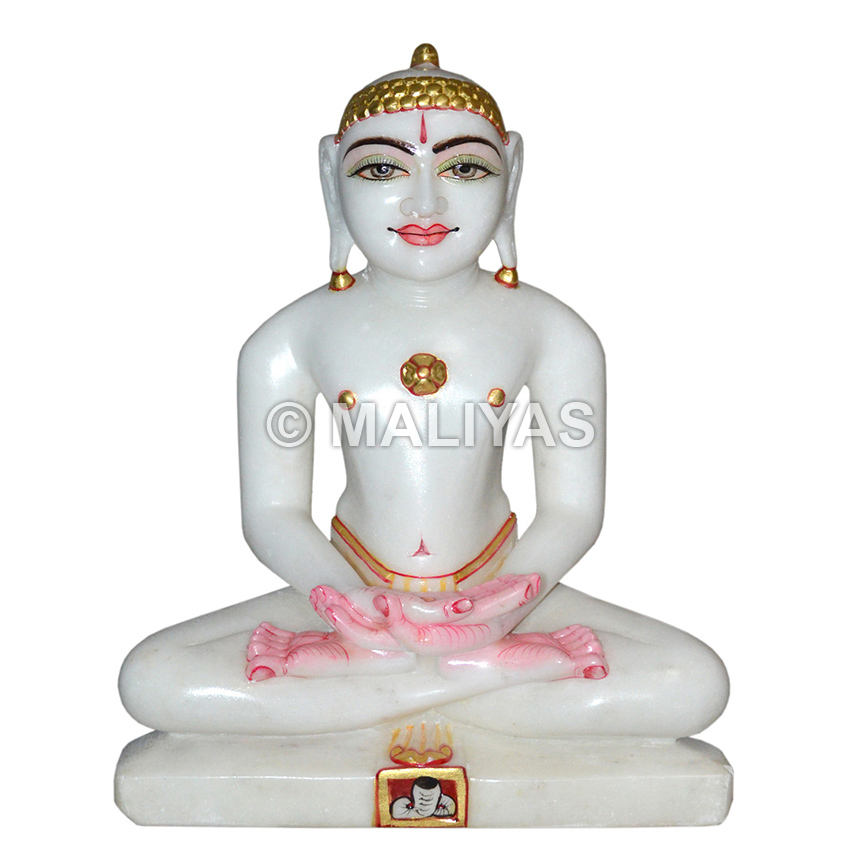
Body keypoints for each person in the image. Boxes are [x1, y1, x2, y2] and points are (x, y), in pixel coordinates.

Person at [119, 45, 728, 741]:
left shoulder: (552, 330)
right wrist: (344, 601)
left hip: (502, 593)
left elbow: (572, 510)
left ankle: (385, 683)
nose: (425, 203)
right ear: (330, 176)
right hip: (349, 594)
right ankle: (484, 679)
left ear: (512, 173)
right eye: (382, 169)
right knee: (150, 676)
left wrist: (500, 608)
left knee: (695, 681)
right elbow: (273, 513)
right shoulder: (289, 338)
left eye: (464, 168)